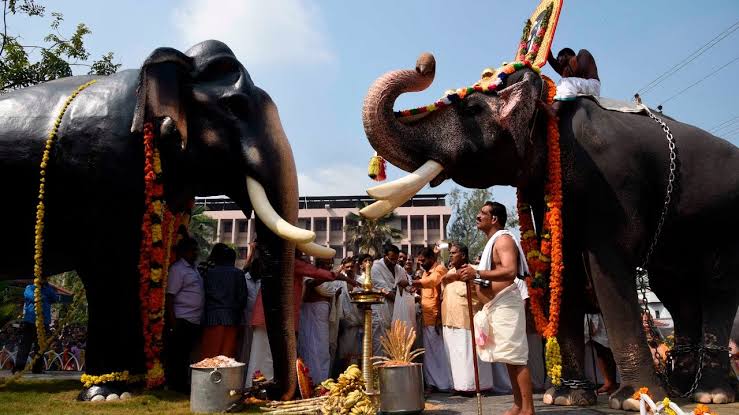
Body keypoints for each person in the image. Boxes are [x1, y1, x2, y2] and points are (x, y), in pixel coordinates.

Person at [459, 201, 535, 415]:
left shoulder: (503, 239)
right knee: (508, 357)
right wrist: (472, 275)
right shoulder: (494, 241)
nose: (477, 216)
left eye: (482, 213)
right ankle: (518, 405)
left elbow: (510, 271)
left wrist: (477, 274)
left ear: (494, 219)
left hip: (507, 305)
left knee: (517, 358)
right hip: (496, 306)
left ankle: (528, 409)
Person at [441, 242, 494, 394]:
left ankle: (476, 386)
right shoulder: (449, 273)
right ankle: (459, 386)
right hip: (449, 320)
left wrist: (471, 279)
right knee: (454, 356)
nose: (450, 255)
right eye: (450, 253)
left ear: (463, 255)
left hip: (468, 319)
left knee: (469, 355)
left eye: (453, 253)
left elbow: (487, 289)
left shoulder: (474, 270)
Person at [165, 237, 203, 394]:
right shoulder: (178, 269)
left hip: (194, 320)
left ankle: (183, 383)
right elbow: (170, 297)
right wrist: (173, 323)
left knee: (187, 355)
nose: (195, 253)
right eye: (192, 250)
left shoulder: (193, 269)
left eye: (196, 250)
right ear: (183, 251)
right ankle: (176, 385)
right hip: (182, 320)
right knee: (178, 356)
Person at [412, 247, 453, 393]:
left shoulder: (440, 269)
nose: (421, 264)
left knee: (439, 354)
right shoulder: (424, 272)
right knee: (430, 355)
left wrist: (413, 283)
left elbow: (432, 282)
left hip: (436, 319)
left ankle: (444, 384)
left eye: (423, 260)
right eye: (419, 261)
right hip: (426, 318)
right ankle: (432, 383)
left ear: (431, 258)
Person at [298, 257, 344, 384]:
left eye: (330, 263)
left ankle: (322, 382)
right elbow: (310, 284)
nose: (329, 265)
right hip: (311, 314)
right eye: (326, 263)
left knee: (323, 351)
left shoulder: (328, 277)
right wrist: (332, 276)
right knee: (311, 349)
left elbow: (333, 287)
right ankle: (312, 382)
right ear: (318, 263)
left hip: (323, 316)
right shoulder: (311, 275)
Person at [200, 243, 248, 359]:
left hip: (212, 318)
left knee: (210, 357)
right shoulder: (239, 274)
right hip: (232, 318)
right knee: (227, 358)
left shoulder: (209, 273)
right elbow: (243, 298)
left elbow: (204, 294)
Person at [13, 277, 58, 374]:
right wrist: (44, 296)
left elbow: (55, 298)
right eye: (42, 278)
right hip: (30, 321)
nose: (43, 280)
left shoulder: (48, 289)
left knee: (40, 346)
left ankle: (37, 369)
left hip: (44, 322)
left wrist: (47, 286)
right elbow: (33, 298)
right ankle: (18, 368)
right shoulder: (29, 287)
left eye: (45, 279)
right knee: (25, 345)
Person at [543, 47, 599, 120]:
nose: (558, 61)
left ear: (565, 55)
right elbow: (550, 58)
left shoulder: (582, 53)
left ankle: (555, 109)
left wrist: (567, 74)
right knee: (560, 87)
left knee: (564, 82)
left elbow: (581, 71)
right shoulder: (566, 70)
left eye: (558, 58)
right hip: (580, 87)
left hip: (592, 85)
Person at [370, 245, 405, 357]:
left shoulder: (399, 269)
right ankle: (378, 372)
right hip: (381, 308)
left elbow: (406, 286)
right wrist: (402, 302)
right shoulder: (375, 268)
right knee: (380, 343)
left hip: (396, 310)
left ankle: (392, 371)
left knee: (395, 343)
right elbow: (385, 291)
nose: (394, 262)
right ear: (385, 256)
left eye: (396, 259)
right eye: (391, 259)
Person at [335, 256, 366, 375]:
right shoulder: (340, 281)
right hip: (346, 323)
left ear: (356, 267)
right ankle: (347, 379)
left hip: (360, 323)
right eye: (346, 267)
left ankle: (360, 379)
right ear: (343, 268)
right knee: (346, 355)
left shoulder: (361, 282)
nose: (349, 269)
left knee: (360, 355)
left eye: (351, 266)